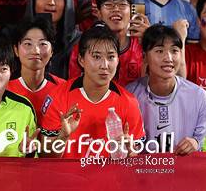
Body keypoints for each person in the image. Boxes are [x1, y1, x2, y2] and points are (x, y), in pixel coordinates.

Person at [40, 26, 145, 158]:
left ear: (118, 60)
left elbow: (135, 160)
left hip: (110, 172)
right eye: (96, 56)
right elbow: (45, 160)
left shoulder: (129, 102)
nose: (104, 65)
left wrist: (130, 153)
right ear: (81, 60)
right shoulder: (58, 97)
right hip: (67, 172)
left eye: (111, 57)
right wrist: (63, 136)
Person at [127, 24, 206, 155]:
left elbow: (204, 140)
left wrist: (195, 142)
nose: (168, 58)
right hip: (144, 167)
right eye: (159, 51)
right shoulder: (130, 95)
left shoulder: (197, 95)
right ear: (144, 56)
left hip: (185, 167)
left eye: (174, 51)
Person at [69, 0, 149, 86]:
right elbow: (75, 85)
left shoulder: (142, 44)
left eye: (122, 5)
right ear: (98, 13)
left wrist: (151, 41)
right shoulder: (84, 46)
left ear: (132, 12)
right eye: (108, 5)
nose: (116, 9)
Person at [8, 16, 65, 124]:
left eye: (43, 44)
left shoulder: (63, 88)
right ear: (16, 50)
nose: (36, 51)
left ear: (52, 51)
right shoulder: (3, 87)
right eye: (28, 44)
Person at [25, 0, 80, 79]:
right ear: (33, 1)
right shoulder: (16, 38)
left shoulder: (78, 41)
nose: (51, 2)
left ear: (67, 3)